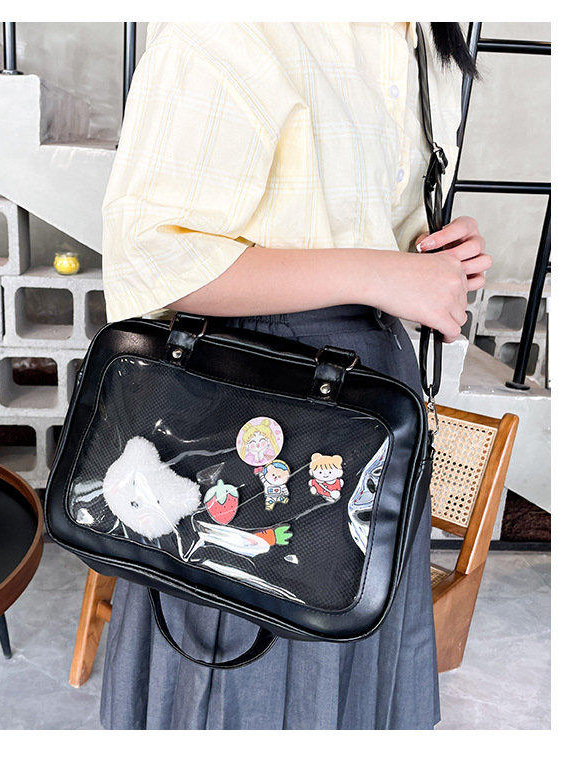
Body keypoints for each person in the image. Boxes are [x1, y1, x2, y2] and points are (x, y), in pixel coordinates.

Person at [98, 22, 491, 730]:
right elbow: (152, 258)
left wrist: (431, 261)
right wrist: (380, 274)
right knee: (239, 667)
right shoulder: (237, 25)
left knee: (346, 647)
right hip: (256, 398)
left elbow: (366, 226)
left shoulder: (419, 41)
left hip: (374, 400)